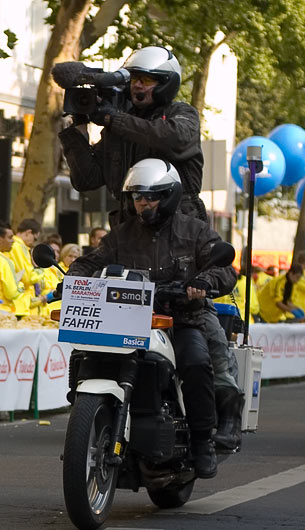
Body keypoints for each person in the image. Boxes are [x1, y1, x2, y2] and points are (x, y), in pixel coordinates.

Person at [67, 159, 236, 478]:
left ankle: (202, 443)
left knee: (197, 364)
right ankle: (90, 420)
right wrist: (71, 280)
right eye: (138, 197)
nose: (143, 203)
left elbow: (225, 268)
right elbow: (91, 262)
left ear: (170, 196)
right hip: (128, 320)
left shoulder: (195, 230)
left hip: (181, 321)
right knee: (85, 354)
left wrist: (204, 282)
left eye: (151, 196)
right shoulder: (121, 235)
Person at [59, 46, 206, 226]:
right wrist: (79, 127)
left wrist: (112, 118)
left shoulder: (182, 113)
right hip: (129, 230)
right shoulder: (118, 128)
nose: (137, 84)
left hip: (178, 227)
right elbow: (87, 179)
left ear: (165, 84)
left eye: (145, 80)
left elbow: (173, 137)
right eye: (134, 79)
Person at [9, 219, 43, 316]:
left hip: (18, 303)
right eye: (35, 238)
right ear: (28, 232)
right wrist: (41, 271)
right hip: (18, 304)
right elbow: (27, 277)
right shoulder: (18, 247)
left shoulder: (15, 246)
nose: (34, 243)